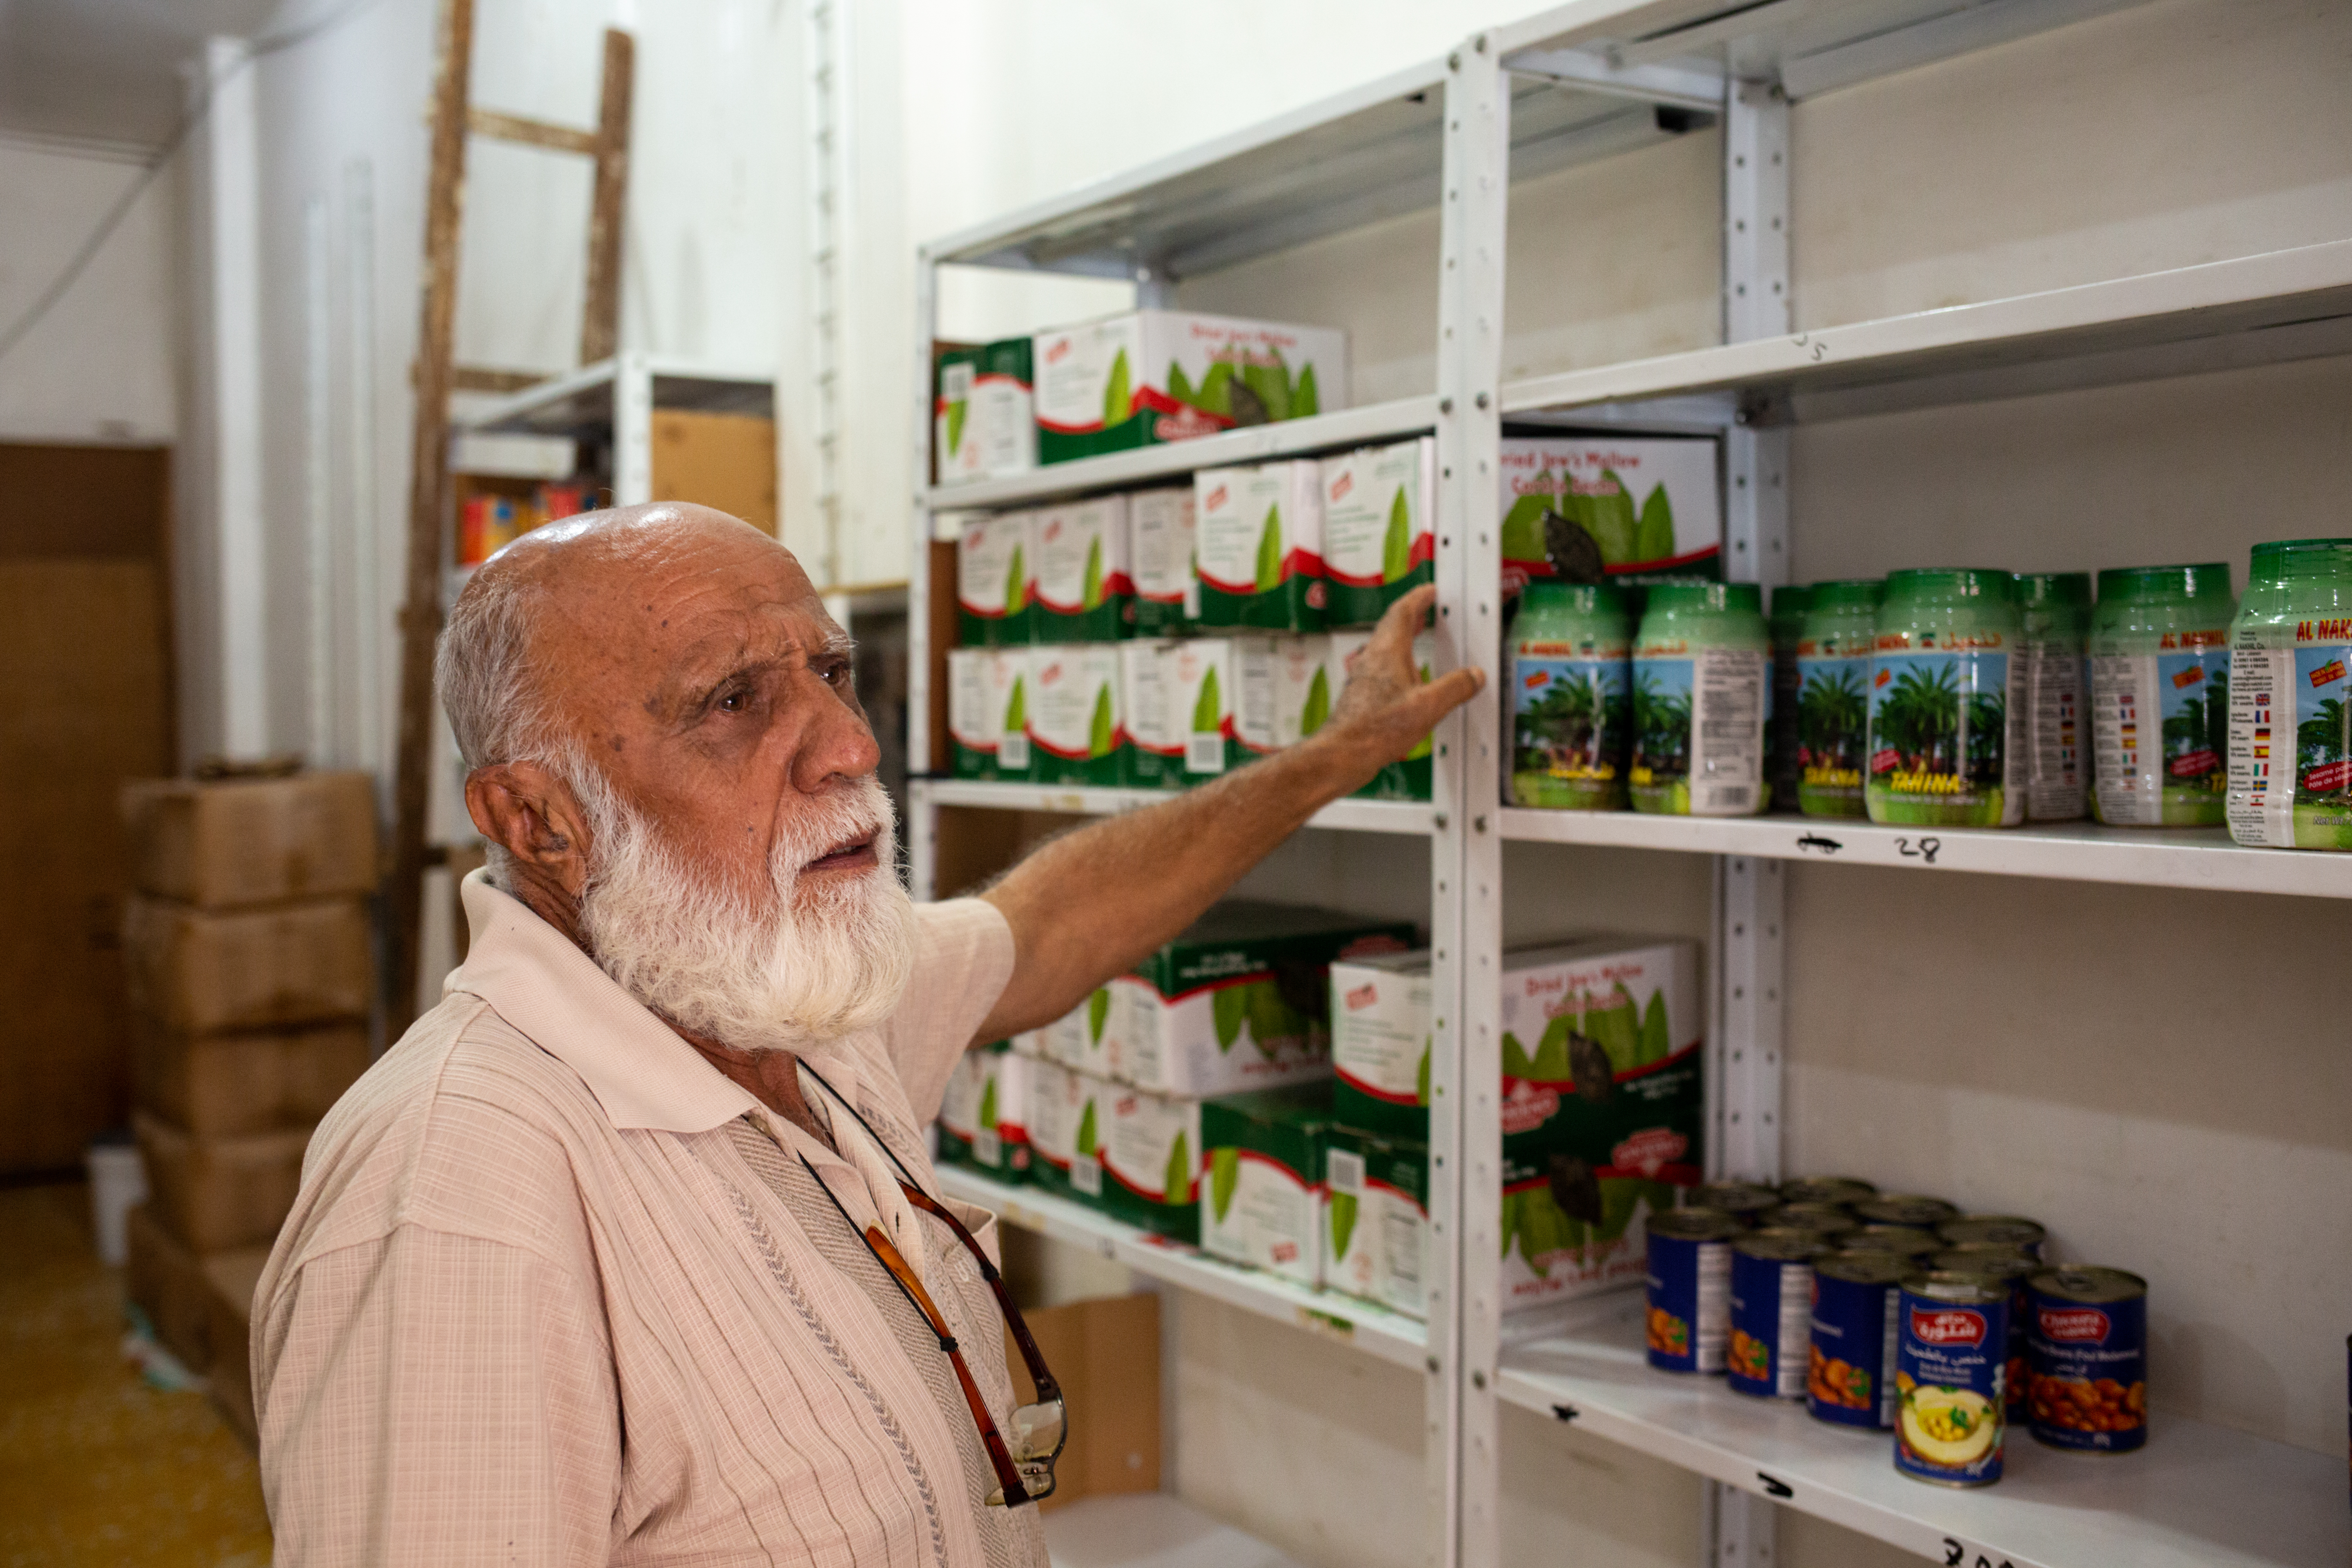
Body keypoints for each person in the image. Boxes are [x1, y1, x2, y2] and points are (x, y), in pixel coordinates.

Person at [251, 503, 1480, 1566]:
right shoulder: (455, 1201)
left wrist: (1341, 755)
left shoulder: (789, 995)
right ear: (540, 819)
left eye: (831, 675)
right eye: (731, 702)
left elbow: (1046, 926)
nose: (850, 747)